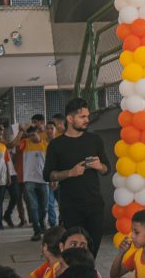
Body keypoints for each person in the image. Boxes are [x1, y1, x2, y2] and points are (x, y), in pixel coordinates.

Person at [44, 98, 110, 256]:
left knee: (92, 250)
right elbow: (48, 175)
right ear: (70, 118)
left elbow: (107, 169)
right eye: (83, 117)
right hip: (70, 207)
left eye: (87, 116)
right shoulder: (56, 145)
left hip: (95, 205)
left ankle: (90, 277)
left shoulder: (94, 140)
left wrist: (99, 166)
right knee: (74, 252)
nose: (87, 120)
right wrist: (69, 173)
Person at [22, 122, 52, 241]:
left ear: (39, 133)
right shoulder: (25, 144)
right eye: (30, 136)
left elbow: (50, 164)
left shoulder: (46, 145)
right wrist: (21, 131)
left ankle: (42, 223)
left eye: (34, 135)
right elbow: (12, 144)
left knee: (44, 207)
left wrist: (51, 179)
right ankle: (37, 230)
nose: (32, 138)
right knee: (33, 206)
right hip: (29, 180)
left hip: (43, 180)